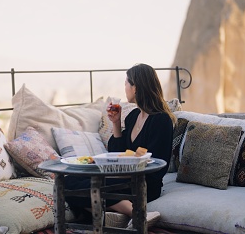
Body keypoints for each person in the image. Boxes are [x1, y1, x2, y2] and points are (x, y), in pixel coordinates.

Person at [64, 63, 175, 227]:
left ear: (136, 87)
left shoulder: (161, 120)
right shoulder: (132, 116)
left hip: (144, 184)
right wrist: (116, 123)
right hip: (121, 177)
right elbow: (117, 153)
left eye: (126, 83)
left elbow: (159, 164)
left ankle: (136, 213)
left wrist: (121, 176)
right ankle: (125, 211)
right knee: (69, 181)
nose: (124, 88)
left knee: (81, 188)